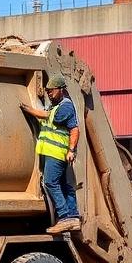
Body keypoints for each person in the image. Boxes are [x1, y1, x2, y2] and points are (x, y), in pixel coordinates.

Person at [21, 74, 81, 234]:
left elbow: (72, 127)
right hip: (52, 152)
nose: (49, 93)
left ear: (61, 90)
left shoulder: (65, 106)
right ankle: (73, 217)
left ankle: (65, 217)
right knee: (64, 185)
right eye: (47, 91)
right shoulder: (55, 106)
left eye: (51, 91)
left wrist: (29, 110)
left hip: (57, 152)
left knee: (50, 182)